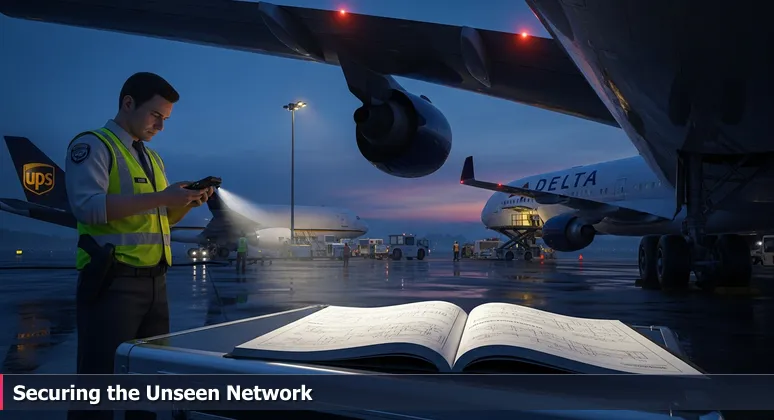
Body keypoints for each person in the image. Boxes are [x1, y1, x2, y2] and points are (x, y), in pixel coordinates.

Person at [65, 72, 214, 420]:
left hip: (155, 284)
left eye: (166, 119)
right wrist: (163, 196)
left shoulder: (152, 159)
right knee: (96, 388)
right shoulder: (93, 145)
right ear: (128, 103)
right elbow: (88, 207)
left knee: (147, 388)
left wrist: (182, 204)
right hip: (112, 282)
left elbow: (158, 221)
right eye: (155, 115)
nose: (160, 126)